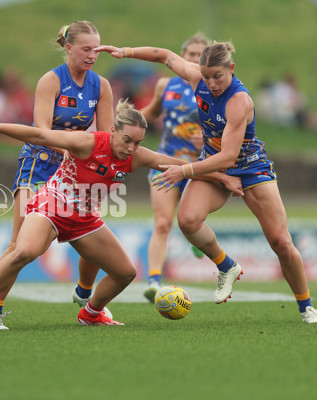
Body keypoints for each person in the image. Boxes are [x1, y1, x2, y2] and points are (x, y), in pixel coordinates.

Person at [0, 100, 242, 326]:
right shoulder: (87, 142)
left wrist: (222, 178)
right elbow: (39, 134)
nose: (132, 148)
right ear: (113, 131)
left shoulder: (137, 157)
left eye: (138, 142)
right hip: (52, 206)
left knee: (125, 273)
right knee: (25, 251)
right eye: (127, 139)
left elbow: (178, 166)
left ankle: (90, 314)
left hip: (85, 219)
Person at [95, 41, 317, 323]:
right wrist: (126, 52)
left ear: (231, 68)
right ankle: (227, 266)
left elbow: (229, 156)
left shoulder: (239, 101)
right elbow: (165, 56)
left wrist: (184, 171)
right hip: (213, 162)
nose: (212, 83)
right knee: (188, 220)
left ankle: (307, 307)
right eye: (206, 76)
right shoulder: (198, 79)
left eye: (217, 76)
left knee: (280, 241)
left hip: (250, 169)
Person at [0, 21, 115, 330]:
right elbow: (40, 131)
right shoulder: (51, 81)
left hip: (74, 172)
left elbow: (105, 135)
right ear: (69, 48)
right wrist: (68, 147)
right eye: (86, 49)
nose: (92, 55)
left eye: (96, 49)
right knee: (20, 244)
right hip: (39, 164)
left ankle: (85, 295)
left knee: (92, 233)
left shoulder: (101, 86)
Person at [138, 33, 209, 303]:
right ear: (181, 56)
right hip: (165, 161)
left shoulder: (213, 89)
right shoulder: (165, 86)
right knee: (163, 222)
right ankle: (154, 280)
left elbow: (234, 128)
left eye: (201, 55)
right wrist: (122, 122)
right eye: (190, 54)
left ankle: (196, 237)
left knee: (192, 220)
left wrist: (213, 137)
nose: (195, 60)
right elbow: (151, 113)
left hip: (199, 167)